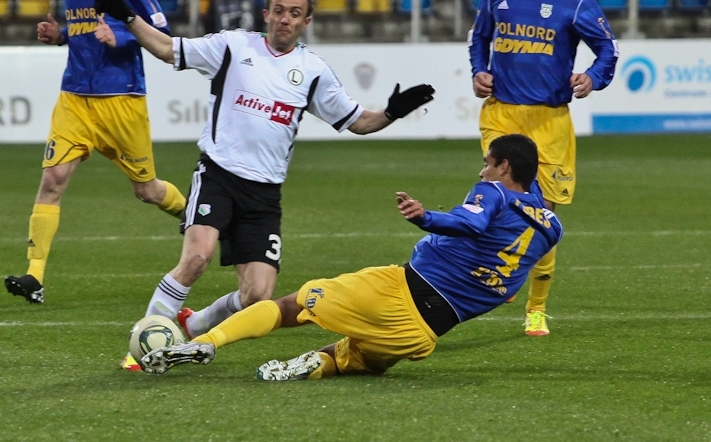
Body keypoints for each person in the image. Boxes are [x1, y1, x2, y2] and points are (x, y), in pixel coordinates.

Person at [91, 0, 436, 371]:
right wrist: (128, 16)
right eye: (278, 10)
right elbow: (168, 47)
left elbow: (358, 122)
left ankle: (197, 322)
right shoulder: (233, 46)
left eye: (293, 13)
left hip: (264, 194)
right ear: (266, 13)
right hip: (218, 174)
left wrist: (392, 112)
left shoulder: (313, 72)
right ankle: (143, 345)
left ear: (306, 21)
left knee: (258, 294)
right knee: (197, 257)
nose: (284, 19)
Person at [137, 134, 564, 380]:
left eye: (488, 164)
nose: (482, 172)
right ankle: (314, 365)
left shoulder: (492, 192)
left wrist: (425, 217)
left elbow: (470, 223)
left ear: (505, 167)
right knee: (353, 359)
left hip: (402, 290)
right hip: (424, 336)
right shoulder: (550, 226)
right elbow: (509, 271)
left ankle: (204, 343)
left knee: (293, 304)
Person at [4, 0, 187, 304]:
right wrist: (62, 37)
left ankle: (196, 216)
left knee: (148, 191)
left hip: (121, 99)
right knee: (52, 181)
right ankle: (35, 276)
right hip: (74, 98)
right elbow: (85, 29)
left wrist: (119, 38)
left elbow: (161, 32)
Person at [468, 0, 618, 336]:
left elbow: (608, 49)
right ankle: (497, 270)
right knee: (499, 194)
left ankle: (535, 307)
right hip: (503, 113)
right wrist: (480, 69)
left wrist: (593, 77)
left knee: (541, 217)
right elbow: (479, 37)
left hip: (550, 121)